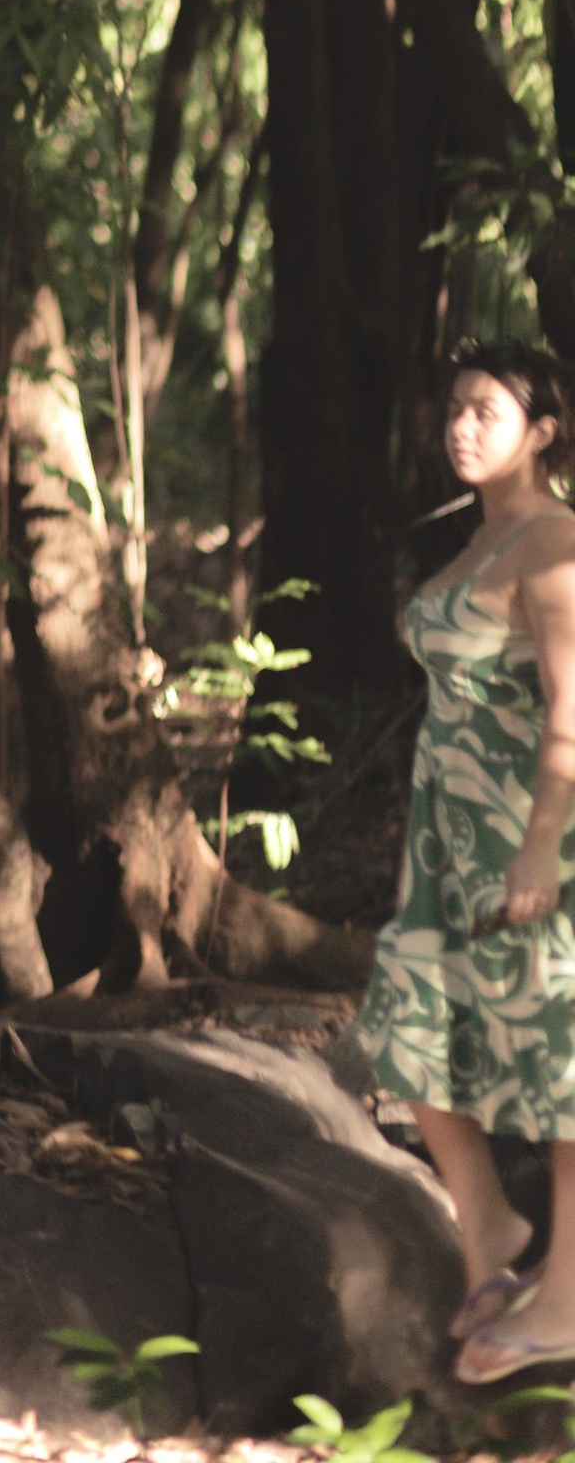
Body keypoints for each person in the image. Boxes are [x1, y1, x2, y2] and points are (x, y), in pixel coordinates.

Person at [356, 337, 575, 1390]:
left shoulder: (550, 540)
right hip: (445, 835)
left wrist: (541, 845)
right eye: (452, 407)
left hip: (532, 836)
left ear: (542, 432)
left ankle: (569, 1297)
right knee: (408, 1025)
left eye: (486, 411)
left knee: (557, 1061)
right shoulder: (473, 538)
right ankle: (490, 1226)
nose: (459, 425)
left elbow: (574, 708)